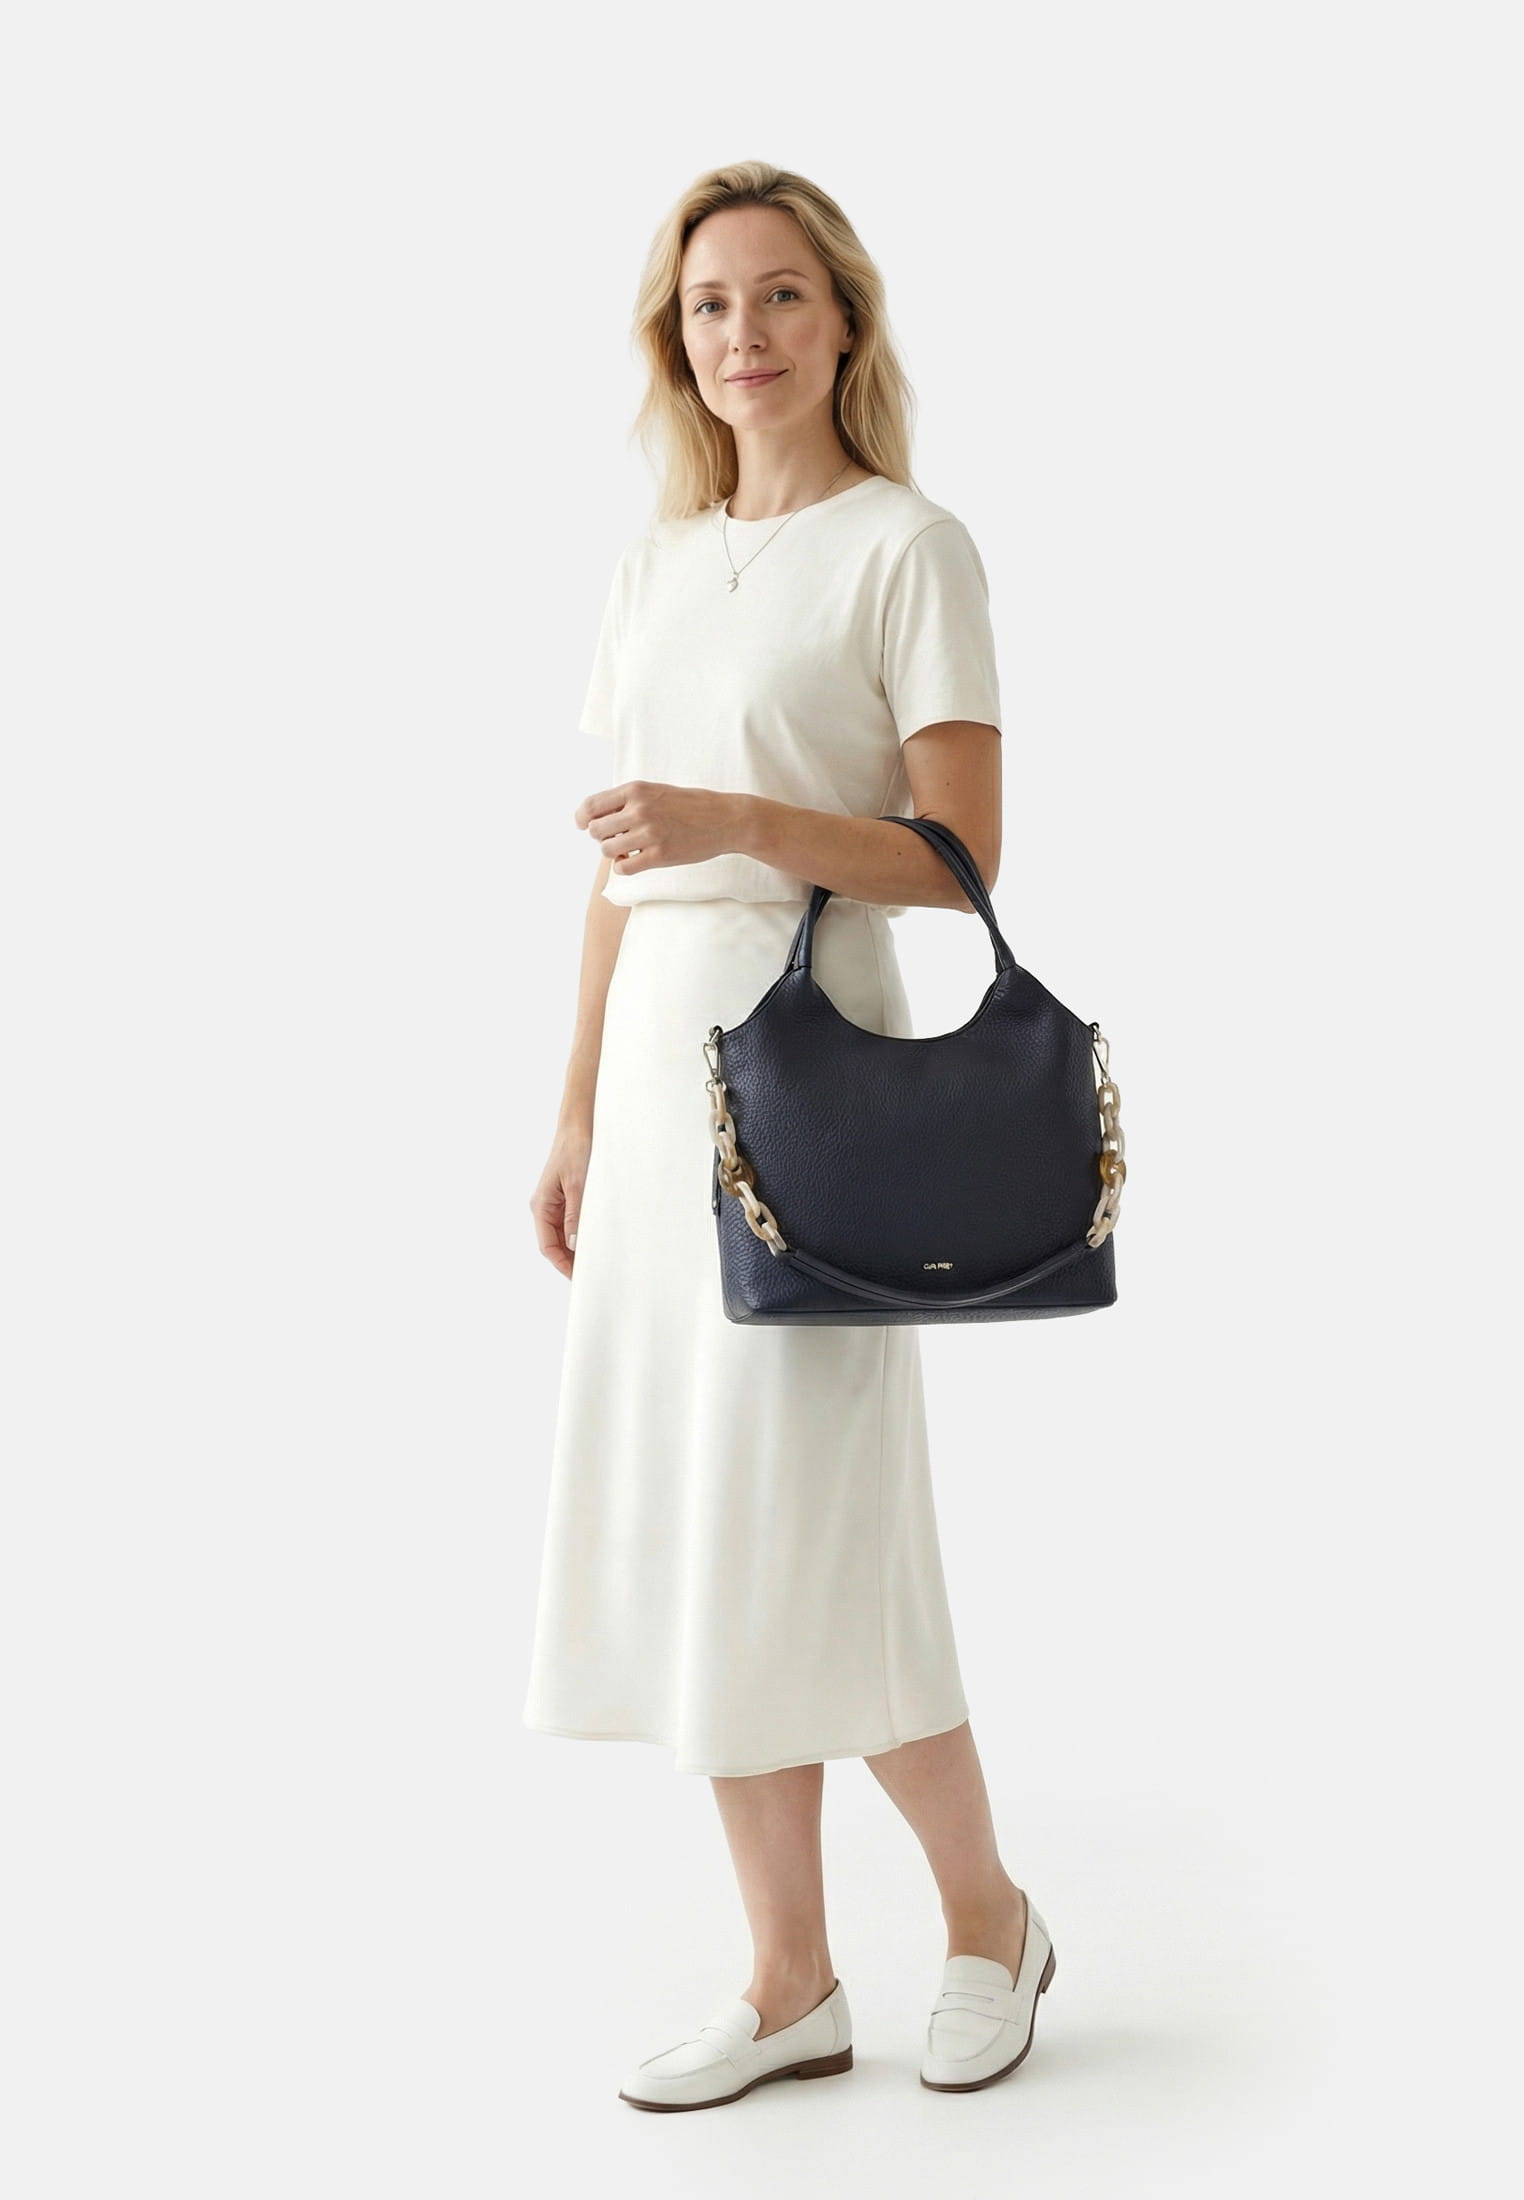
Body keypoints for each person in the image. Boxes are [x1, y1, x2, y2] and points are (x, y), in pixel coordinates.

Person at [524, 161, 1057, 2110]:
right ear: (675, 344)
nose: (740, 333)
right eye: (706, 306)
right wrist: (574, 1107)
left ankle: (988, 1919)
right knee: (698, 1522)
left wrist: (738, 820)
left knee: (823, 1519)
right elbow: (620, 862)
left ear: (842, 320)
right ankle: (790, 1977)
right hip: (658, 1072)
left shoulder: (909, 547)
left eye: (776, 296)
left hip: (815, 1060)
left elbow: (961, 854)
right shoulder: (657, 562)